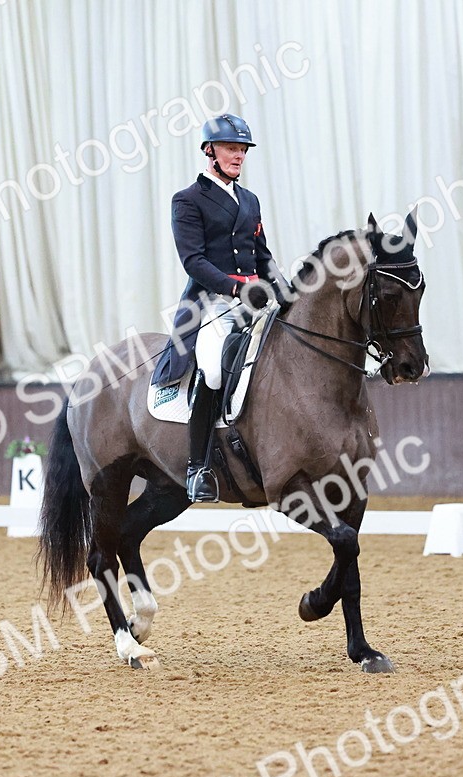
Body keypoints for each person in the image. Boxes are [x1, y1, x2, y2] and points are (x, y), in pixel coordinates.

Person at [151, 113, 290, 503]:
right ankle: (198, 467)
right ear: (209, 150)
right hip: (210, 305)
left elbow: (263, 257)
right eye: (232, 148)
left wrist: (287, 294)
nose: (239, 155)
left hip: (254, 302)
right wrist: (236, 288)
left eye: (243, 149)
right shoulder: (188, 200)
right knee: (213, 367)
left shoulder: (250, 200)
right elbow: (194, 261)